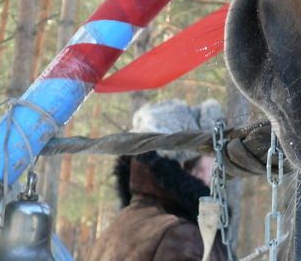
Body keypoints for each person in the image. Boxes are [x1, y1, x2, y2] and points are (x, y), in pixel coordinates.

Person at [89, 99, 226, 261]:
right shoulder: (181, 237)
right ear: (184, 163)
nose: (214, 175)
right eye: (210, 159)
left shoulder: (117, 227)